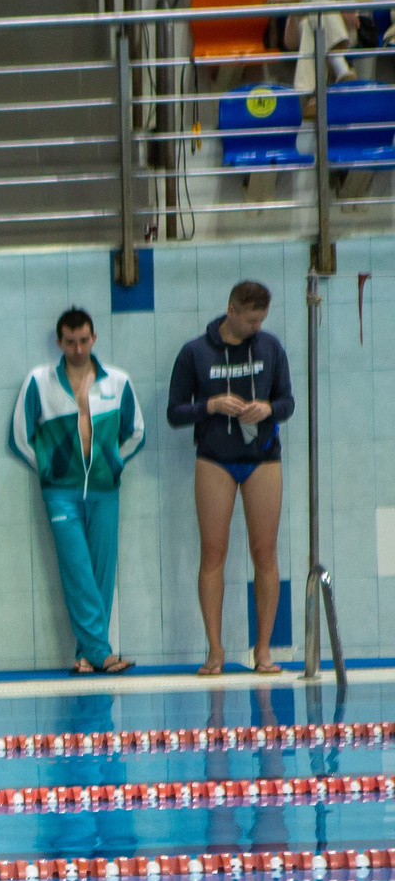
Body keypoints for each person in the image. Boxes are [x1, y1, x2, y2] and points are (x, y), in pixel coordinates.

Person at [168, 280, 294, 676]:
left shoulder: (271, 348)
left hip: (262, 459)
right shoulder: (195, 352)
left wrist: (268, 409)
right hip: (215, 460)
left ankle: (263, 652)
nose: (258, 326)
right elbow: (175, 412)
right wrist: (210, 405)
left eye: (262, 320)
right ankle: (215, 651)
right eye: (252, 319)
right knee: (213, 554)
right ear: (232, 309)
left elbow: (287, 402)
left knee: (265, 553)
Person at [11, 307, 145, 676]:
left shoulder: (117, 381)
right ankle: (103, 653)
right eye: (70, 342)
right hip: (61, 493)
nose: (78, 348)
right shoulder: (40, 381)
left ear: (94, 338)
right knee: (78, 571)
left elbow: (136, 431)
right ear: (59, 342)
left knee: (101, 573)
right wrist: (48, 470)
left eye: (84, 340)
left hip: (104, 488)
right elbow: (21, 435)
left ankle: (87, 656)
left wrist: (114, 463)